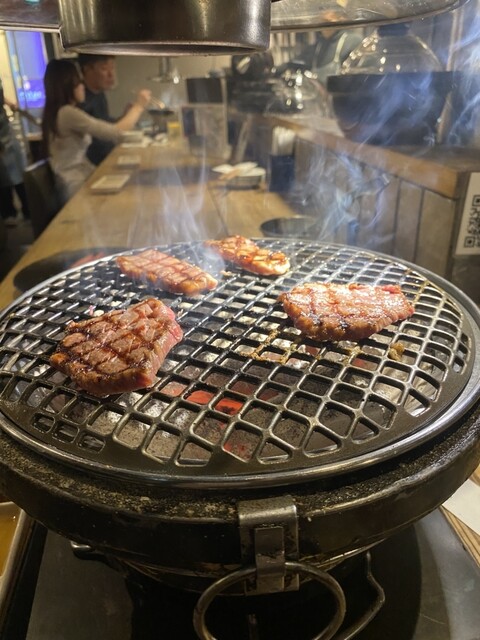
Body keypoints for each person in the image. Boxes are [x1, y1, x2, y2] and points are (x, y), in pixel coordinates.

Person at [41, 58, 151, 204]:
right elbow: (116, 132)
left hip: (81, 177)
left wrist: (127, 115)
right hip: (74, 187)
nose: (82, 87)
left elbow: (106, 128)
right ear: (67, 85)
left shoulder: (60, 112)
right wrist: (139, 105)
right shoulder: (67, 113)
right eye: (78, 82)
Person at [78, 53, 150, 166]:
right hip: (93, 166)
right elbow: (107, 136)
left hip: (106, 159)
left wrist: (123, 117)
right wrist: (139, 106)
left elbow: (104, 125)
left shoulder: (98, 94)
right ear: (87, 70)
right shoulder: (81, 100)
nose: (111, 74)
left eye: (112, 68)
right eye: (104, 69)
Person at [0, 77, 30, 224]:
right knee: (5, 175)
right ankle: (10, 213)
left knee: (17, 172)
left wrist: (8, 103)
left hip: (5, 129)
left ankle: (25, 211)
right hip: (2, 131)